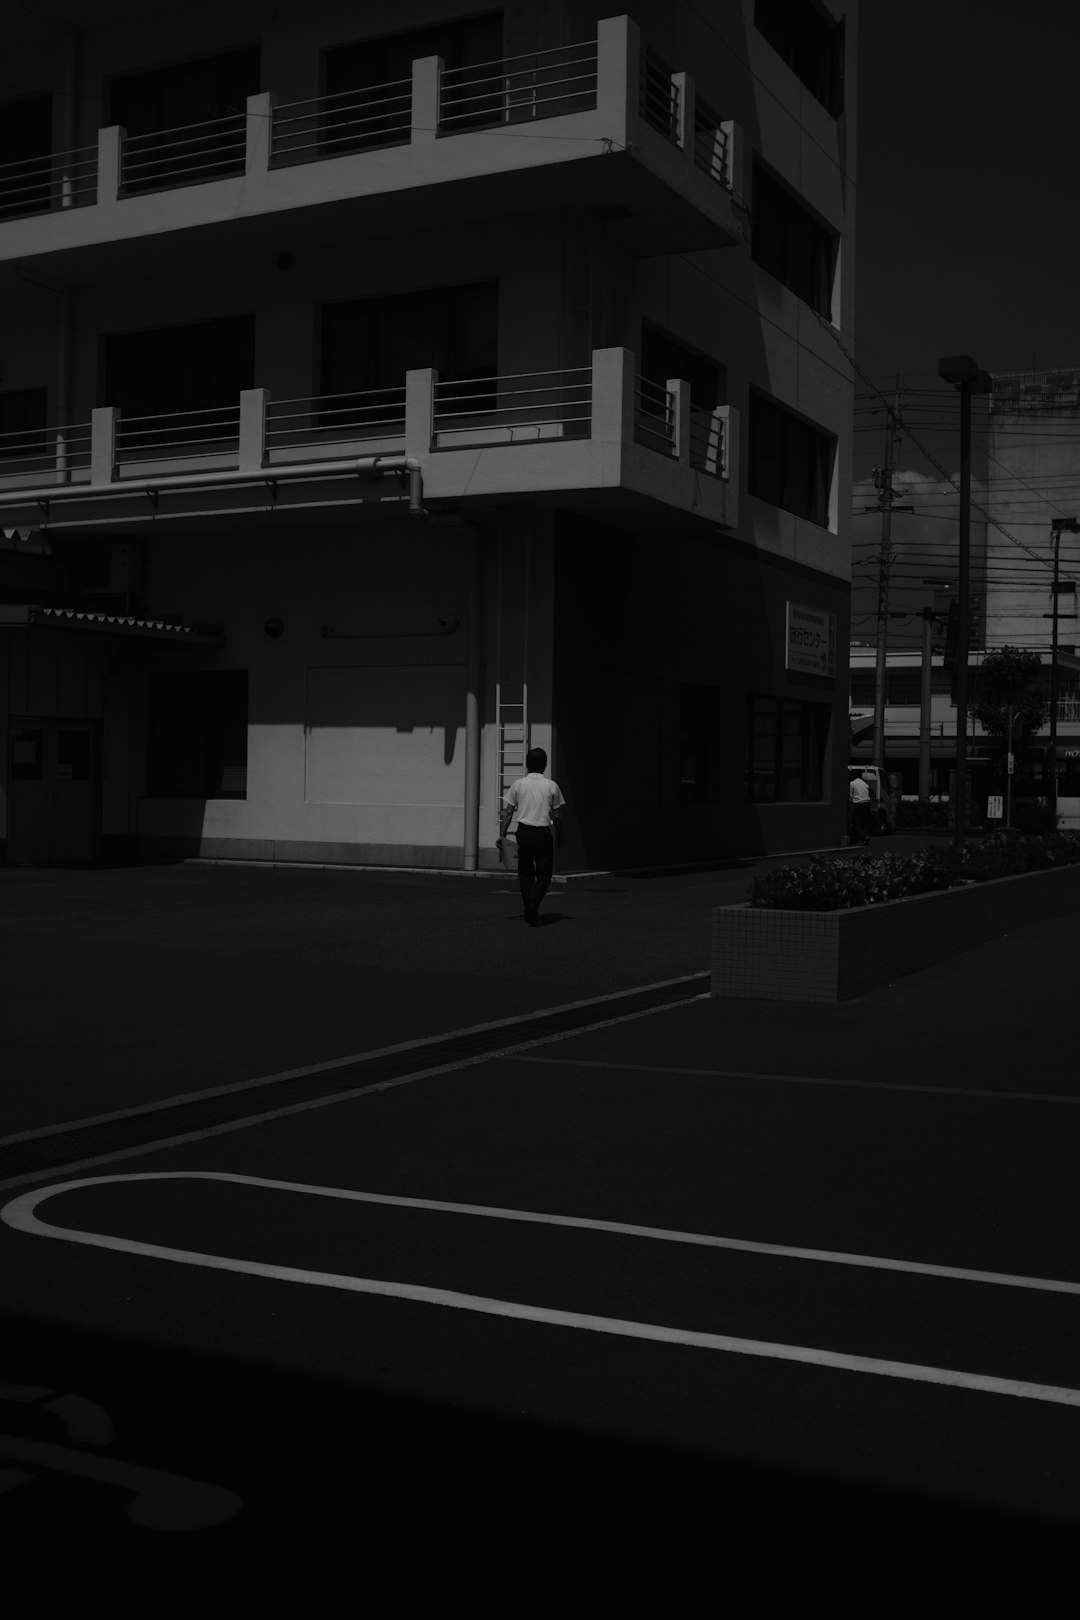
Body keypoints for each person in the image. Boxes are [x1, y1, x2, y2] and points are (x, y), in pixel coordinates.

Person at [498, 747, 566, 927]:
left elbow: (508, 813)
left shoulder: (518, 784)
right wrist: (560, 836)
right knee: (544, 874)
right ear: (545, 765)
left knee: (525, 873)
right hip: (543, 833)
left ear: (527, 765)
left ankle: (530, 912)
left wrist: (502, 834)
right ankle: (534, 901)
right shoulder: (551, 785)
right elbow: (557, 816)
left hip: (524, 833)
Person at [849, 770, 872, 846]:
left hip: (859, 804)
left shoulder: (852, 783)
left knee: (856, 823)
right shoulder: (864, 783)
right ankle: (865, 839)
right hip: (868, 803)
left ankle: (864, 837)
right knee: (865, 823)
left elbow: (850, 797)